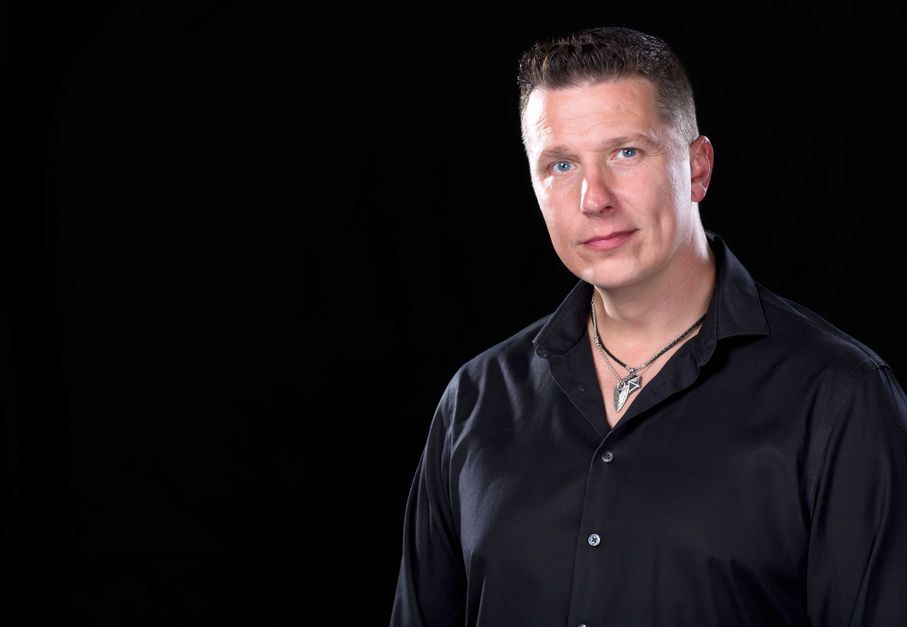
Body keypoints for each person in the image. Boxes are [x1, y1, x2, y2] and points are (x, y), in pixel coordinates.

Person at [390, 26, 907, 626]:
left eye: (626, 153)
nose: (594, 199)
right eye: (561, 165)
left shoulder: (841, 398)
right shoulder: (476, 401)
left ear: (698, 168)